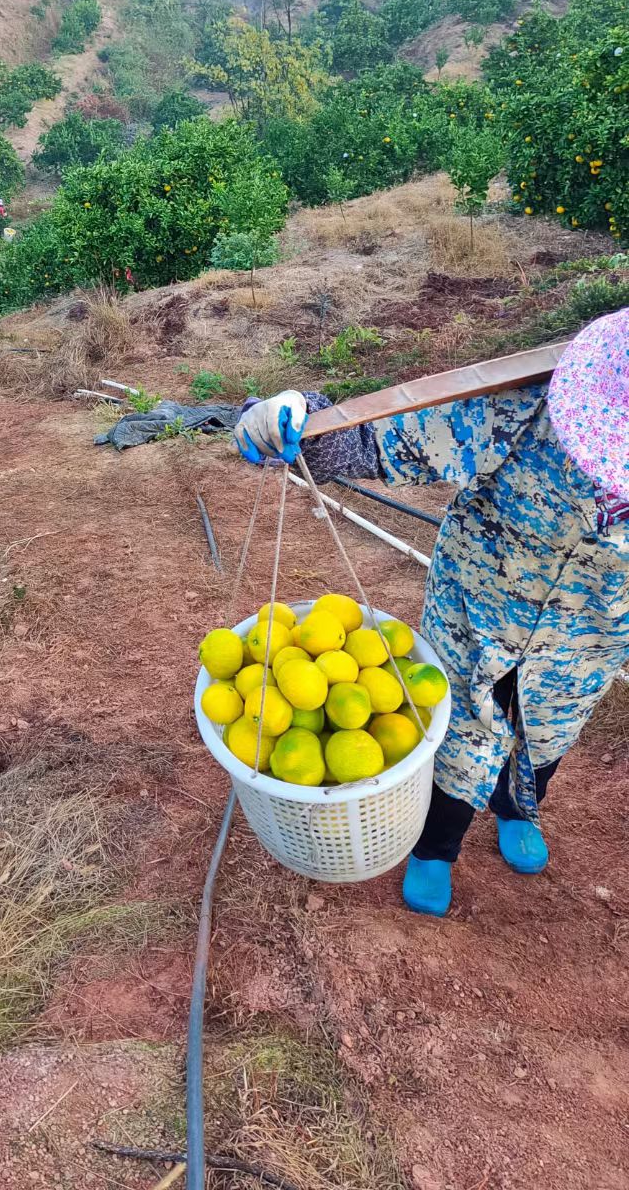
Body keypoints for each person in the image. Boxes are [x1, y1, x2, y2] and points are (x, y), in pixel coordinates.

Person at [234, 310, 629, 917]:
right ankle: (436, 846)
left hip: (588, 646)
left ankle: (517, 808)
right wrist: (302, 418)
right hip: (478, 610)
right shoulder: (534, 401)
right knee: (452, 733)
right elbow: (384, 439)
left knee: (544, 732)